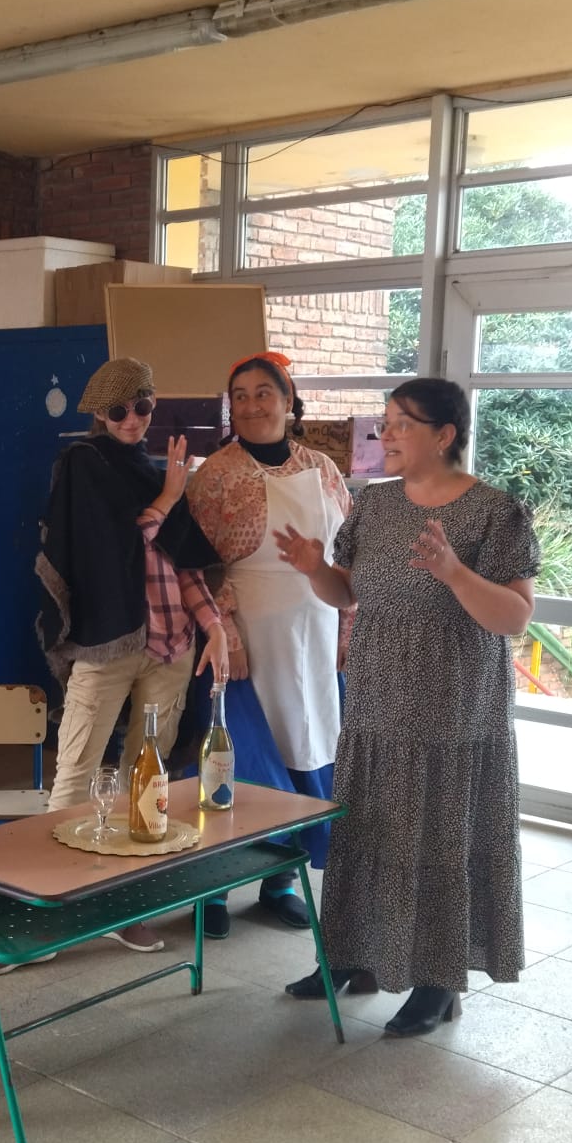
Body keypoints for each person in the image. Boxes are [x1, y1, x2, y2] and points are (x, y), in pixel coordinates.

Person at [277, 377, 538, 1036]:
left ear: (443, 435)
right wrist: (314, 569)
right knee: (367, 836)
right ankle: (352, 958)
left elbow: (512, 617)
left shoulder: (493, 511)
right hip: (373, 705)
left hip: (449, 711)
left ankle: (436, 980)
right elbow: (347, 594)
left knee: (434, 841)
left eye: (400, 424)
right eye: (384, 422)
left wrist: (454, 572)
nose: (383, 435)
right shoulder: (375, 504)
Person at [37, 356, 228, 954]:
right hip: (108, 644)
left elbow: (184, 562)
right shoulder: (83, 465)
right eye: (118, 410)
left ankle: (118, 901)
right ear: (98, 414)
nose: (131, 420)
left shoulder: (151, 473)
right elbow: (115, 542)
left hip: (170, 647)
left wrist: (214, 626)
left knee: (146, 778)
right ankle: (50, 906)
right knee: (75, 771)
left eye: (142, 407)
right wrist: (171, 495)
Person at [187, 351, 353, 939]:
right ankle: (210, 887)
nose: (252, 405)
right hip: (245, 636)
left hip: (317, 631)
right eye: (240, 395)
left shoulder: (325, 469)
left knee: (305, 753)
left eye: (264, 393)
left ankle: (280, 882)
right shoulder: (213, 476)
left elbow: (347, 555)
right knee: (236, 762)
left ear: (288, 401)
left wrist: (348, 624)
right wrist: (222, 630)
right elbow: (195, 569)